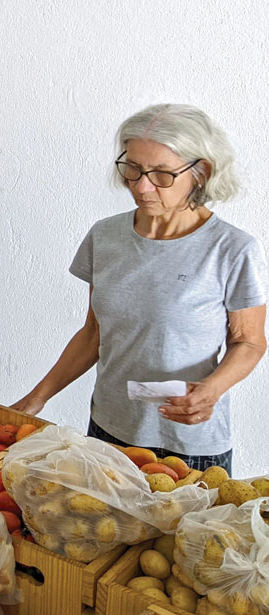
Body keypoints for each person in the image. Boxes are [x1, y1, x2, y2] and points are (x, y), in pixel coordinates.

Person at [14, 104, 267, 472]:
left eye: (162, 174)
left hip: (189, 443)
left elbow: (249, 341)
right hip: (109, 431)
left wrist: (211, 389)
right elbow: (94, 333)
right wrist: (36, 400)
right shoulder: (106, 237)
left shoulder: (232, 249)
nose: (141, 187)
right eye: (133, 169)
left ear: (201, 173)